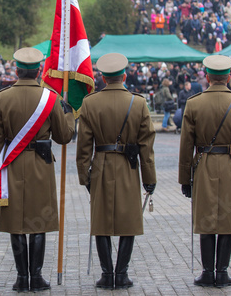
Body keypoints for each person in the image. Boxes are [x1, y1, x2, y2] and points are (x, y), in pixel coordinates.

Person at [0, 48, 74, 292]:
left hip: (11, 165)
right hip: (40, 165)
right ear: (38, 71)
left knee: (16, 222)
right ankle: (36, 277)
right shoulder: (51, 97)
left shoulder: (2, 98)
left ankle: (21, 278)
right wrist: (68, 114)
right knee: (38, 223)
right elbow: (64, 136)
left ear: (16, 70)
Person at [179, 55, 231, 288]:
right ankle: (222, 272)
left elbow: (186, 145)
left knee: (206, 219)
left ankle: (207, 272)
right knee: (227, 219)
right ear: (228, 77)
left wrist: (185, 179)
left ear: (207, 77)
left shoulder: (194, 103)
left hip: (203, 165)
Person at [77, 53, 156, 290]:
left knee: (101, 220)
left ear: (102, 78)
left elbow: (83, 146)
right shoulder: (138, 102)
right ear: (123, 76)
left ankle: (106, 274)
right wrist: (149, 180)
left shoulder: (90, 102)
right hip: (128, 166)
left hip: (100, 163)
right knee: (128, 220)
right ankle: (121, 274)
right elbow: (146, 146)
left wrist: (85, 176)